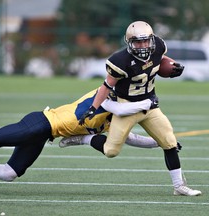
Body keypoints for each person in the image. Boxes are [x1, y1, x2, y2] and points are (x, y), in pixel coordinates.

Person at [0, 88, 159, 193]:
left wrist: (160, 142)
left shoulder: (110, 120)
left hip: (45, 133)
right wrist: (146, 104)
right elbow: (111, 102)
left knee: (10, 173)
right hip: (41, 122)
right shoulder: (104, 99)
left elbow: (130, 138)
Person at [73, 21, 201, 196]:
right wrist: (93, 107)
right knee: (111, 151)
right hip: (126, 106)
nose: (142, 45)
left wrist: (172, 66)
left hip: (149, 105)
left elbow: (161, 61)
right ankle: (84, 139)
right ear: (129, 42)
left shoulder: (158, 47)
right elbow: (106, 86)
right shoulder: (119, 61)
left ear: (151, 40)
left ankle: (179, 186)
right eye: (137, 42)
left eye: (145, 41)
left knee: (169, 141)